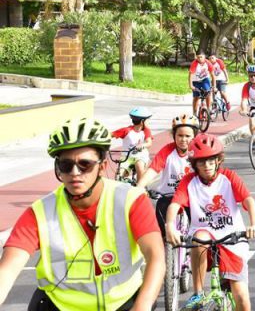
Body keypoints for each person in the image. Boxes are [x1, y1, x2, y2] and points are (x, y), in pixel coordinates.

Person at [0, 118, 164, 310]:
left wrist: (141, 306)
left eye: (84, 164)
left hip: (122, 303)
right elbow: (8, 270)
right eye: (65, 165)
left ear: (102, 167)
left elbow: (156, 257)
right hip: (60, 306)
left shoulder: (130, 200)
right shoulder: (40, 212)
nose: (75, 172)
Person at [166, 133, 255, 311]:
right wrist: (170, 224)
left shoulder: (229, 177)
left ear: (218, 160)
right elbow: (175, 204)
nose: (207, 166)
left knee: (241, 296)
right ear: (194, 164)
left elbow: (248, 200)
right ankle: (199, 293)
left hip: (232, 238)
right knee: (199, 238)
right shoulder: (188, 181)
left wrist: (254, 223)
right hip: (204, 237)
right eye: (201, 162)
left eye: (211, 160)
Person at [137, 114, 198, 234]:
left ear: (195, 136)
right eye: (180, 135)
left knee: (198, 230)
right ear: (174, 135)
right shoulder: (167, 151)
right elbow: (153, 170)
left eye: (187, 136)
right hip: (168, 196)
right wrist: (139, 187)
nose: (183, 139)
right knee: (162, 230)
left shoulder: (197, 152)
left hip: (191, 197)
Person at [111, 106, 154, 182]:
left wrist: (142, 145)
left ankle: (140, 187)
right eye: (147, 120)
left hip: (140, 157)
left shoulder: (146, 131)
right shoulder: (126, 130)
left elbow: (149, 143)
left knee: (139, 166)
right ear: (142, 121)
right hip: (127, 157)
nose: (148, 122)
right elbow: (111, 135)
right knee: (119, 176)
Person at [189, 51, 216, 116]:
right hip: (196, 81)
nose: (200, 59)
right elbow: (190, 75)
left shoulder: (208, 63)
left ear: (204, 57)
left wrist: (214, 86)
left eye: (201, 57)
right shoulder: (194, 63)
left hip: (205, 80)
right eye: (198, 57)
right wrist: (191, 85)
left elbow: (213, 75)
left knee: (207, 93)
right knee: (196, 97)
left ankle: (209, 108)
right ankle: (194, 113)